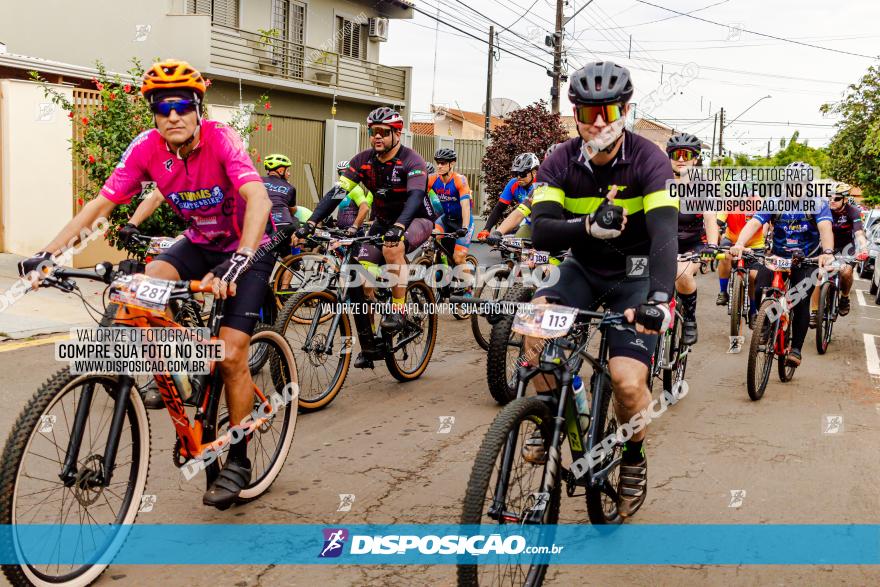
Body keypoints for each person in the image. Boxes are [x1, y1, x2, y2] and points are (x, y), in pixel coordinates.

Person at [18, 60, 274, 509]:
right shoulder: (146, 148)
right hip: (197, 242)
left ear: (198, 109)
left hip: (246, 248)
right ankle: (180, 370)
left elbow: (258, 197)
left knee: (232, 353)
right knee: (140, 285)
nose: (172, 115)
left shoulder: (222, 139)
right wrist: (50, 254)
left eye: (181, 106)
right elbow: (100, 204)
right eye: (162, 107)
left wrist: (239, 259)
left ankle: (239, 458)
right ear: (153, 114)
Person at [526, 61, 679, 519]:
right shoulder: (559, 160)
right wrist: (588, 226)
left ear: (625, 110)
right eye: (588, 111)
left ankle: (632, 457)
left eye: (608, 111)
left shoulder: (651, 160)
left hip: (634, 274)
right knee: (534, 332)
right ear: (575, 114)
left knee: (628, 384)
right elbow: (542, 234)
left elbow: (665, 234)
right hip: (581, 267)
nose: (598, 122)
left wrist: (657, 300)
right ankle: (547, 415)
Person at [296, 107, 435, 367]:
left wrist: (400, 228)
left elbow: (415, 198)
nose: (377, 137)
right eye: (373, 132)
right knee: (362, 280)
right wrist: (311, 223)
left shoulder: (411, 161)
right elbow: (337, 193)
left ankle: (398, 309)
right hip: (383, 222)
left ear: (397, 134)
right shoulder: (362, 160)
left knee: (393, 249)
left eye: (384, 132)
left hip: (416, 218)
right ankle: (370, 344)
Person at [730, 161, 835, 367]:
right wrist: (740, 243)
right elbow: (754, 222)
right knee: (761, 286)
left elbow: (825, 228)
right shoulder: (774, 200)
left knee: (801, 301)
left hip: (806, 258)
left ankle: (795, 348)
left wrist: (828, 252)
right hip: (778, 255)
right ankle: (765, 325)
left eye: (801, 183)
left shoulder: (818, 203)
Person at [667, 133, 718, 345]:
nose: (681, 159)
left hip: (692, 245)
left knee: (681, 275)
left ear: (695, 158)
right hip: (662, 243)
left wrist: (713, 244)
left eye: (686, 155)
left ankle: (689, 319)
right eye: (676, 154)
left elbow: (710, 217)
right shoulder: (658, 181)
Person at [809, 181, 868, 325]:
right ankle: (815, 311)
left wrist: (864, 247)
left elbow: (859, 233)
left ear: (845, 200)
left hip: (845, 249)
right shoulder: (822, 209)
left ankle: (844, 297)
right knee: (818, 275)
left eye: (836, 199)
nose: (832, 201)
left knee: (846, 272)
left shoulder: (853, 211)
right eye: (829, 198)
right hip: (826, 247)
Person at [716, 193, 765, 328]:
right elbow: (717, 223)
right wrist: (713, 243)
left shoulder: (759, 202)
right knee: (723, 256)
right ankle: (723, 292)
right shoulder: (728, 202)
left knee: (754, 277)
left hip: (754, 245)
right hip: (731, 240)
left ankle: (753, 311)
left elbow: (767, 224)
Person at [428, 147, 473, 281]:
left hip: (462, 220)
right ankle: (442, 274)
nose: (439, 166)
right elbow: (419, 198)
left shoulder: (460, 180)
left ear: (451, 163)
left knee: (458, 258)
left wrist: (464, 227)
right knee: (432, 238)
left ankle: (468, 288)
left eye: (442, 163)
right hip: (446, 219)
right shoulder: (433, 179)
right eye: (438, 162)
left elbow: (465, 206)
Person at [477, 152, 539, 239]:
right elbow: (499, 208)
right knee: (511, 241)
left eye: (522, 174)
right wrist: (487, 229)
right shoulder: (513, 183)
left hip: (544, 224)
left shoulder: (541, 184)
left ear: (534, 172)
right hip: (527, 222)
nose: (518, 177)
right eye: (516, 174)